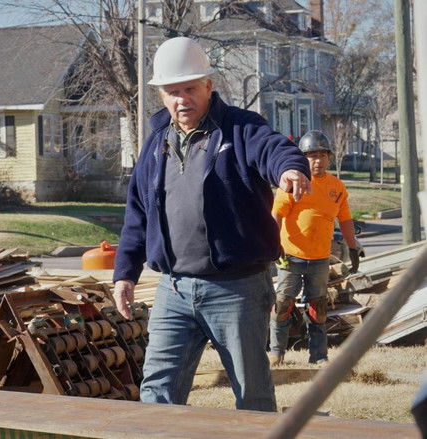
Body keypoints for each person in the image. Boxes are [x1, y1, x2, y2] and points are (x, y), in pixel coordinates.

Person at [112, 37, 311, 412]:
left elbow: (274, 149)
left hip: (237, 290)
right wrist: (125, 272)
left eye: (190, 89)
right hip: (173, 289)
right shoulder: (156, 140)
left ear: (209, 85)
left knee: (252, 394)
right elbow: (138, 212)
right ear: (161, 95)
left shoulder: (241, 128)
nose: (182, 99)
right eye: (173, 91)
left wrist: (291, 168)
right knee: (157, 392)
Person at [269, 130, 361, 366]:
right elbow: (276, 216)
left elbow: (346, 219)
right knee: (283, 306)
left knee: (317, 308)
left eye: (321, 155)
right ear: (302, 157)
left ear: (329, 157)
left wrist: (352, 247)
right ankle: (277, 353)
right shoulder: (293, 183)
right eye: (311, 156)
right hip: (290, 257)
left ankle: (318, 356)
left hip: (320, 259)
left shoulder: (336, 187)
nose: (317, 161)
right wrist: (274, 248)